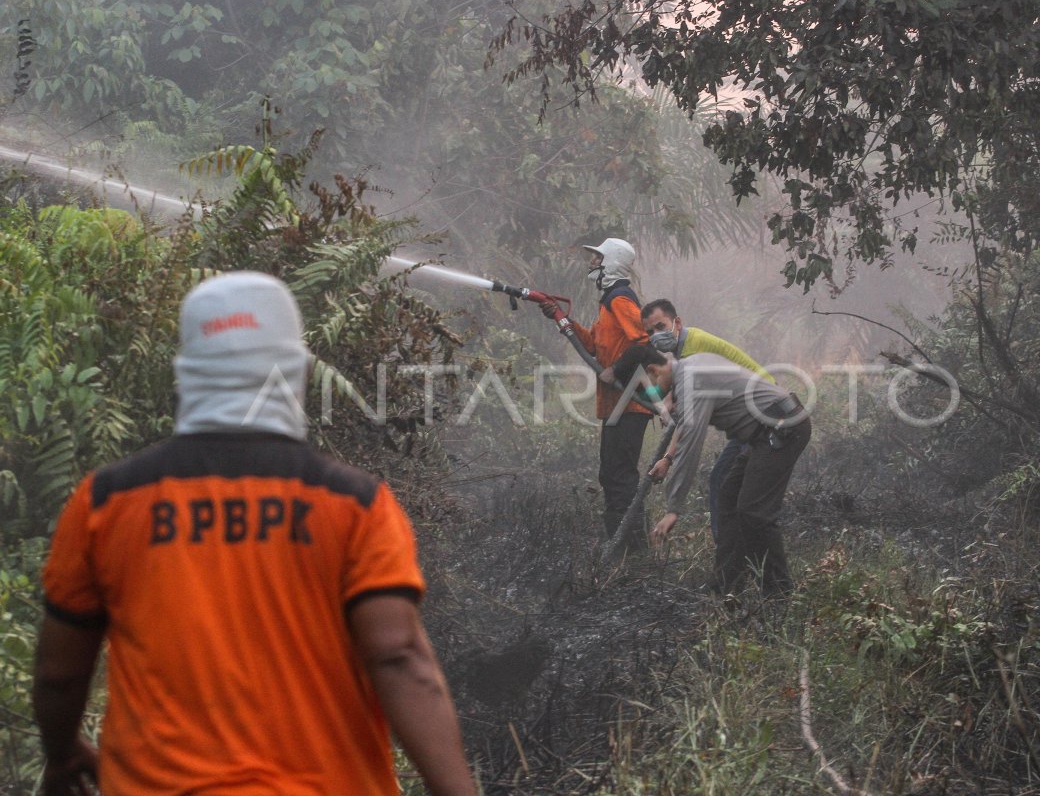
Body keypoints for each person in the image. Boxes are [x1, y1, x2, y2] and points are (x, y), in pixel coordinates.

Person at [33, 272, 476, 796]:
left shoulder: (106, 502)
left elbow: (60, 672)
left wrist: (62, 754)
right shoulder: (354, 505)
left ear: (185, 374)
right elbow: (397, 654)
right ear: (295, 373)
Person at [613, 345, 811, 596]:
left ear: (652, 371)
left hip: (784, 429)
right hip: (765, 433)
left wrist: (673, 509)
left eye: (645, 389)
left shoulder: (691, 380)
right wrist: (667, 457)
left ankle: (779, 596)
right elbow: (685, 426)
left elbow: (691, 444)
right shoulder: (687, 370)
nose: (651, 396)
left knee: (754, 513)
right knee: (728, 496)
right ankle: (726, 590)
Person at [541, 238, 650, 543]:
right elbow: (593, 345)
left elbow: (642, 342)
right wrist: (561, 318)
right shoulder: (608, 303)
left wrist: (615, 370)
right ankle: (619, 543)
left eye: (597, 258)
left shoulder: (620, 298)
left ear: (612, 263)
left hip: (631, 403)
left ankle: (629, 548)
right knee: (611, 474)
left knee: (620, 475)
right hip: (618, 404)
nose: (592, 263)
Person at [640, 298, 772, 544]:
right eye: (650, 332)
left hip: (761, 414)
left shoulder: (693, 349)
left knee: (725, 482)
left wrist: (668, 459)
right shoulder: (685, 350)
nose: (656, 336)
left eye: (660, 326)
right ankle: (733, 550)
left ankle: (727, 549)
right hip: (751, 417)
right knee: (727, 483)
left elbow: (691, 421)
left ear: (676, 323)